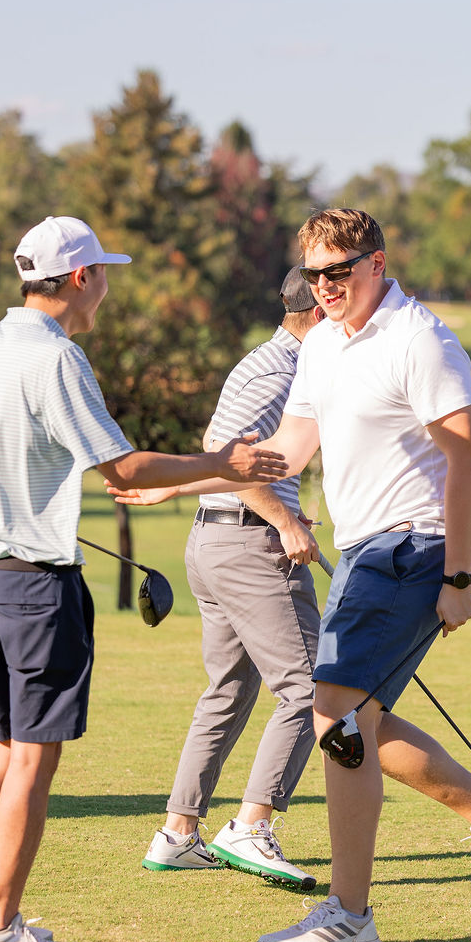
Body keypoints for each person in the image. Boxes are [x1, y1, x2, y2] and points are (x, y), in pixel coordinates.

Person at [0, 215, 283, 942]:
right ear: (81, 277)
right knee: (32, 760)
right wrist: (221, 464)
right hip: (38, 589)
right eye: (104, 275)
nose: (106, 289)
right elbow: (120, 469)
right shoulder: (58, 357)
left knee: (1, 751)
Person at [246, 208, 471, 942]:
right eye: (314, 274)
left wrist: (460, 576)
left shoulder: (420, 339)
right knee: (355, 720)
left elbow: (468, 457)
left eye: (338, 272)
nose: (325, 286)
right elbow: (288, 450)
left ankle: (350, 915)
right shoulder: (323, 344)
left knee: (337, 719)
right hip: (361, 552)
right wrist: (185, 477)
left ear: (376, 264)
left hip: (411, 547)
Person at [138, 267, 325, 888]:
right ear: (316, 313)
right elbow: (227, 452)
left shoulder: (272, 361)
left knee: (229, 690)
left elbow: (223, 451)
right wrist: (284, 521)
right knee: (309, 688)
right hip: (248, 546)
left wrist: (284, 511)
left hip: (219, 539)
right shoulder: (282, 372)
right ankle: (251, 826)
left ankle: (178, 834)